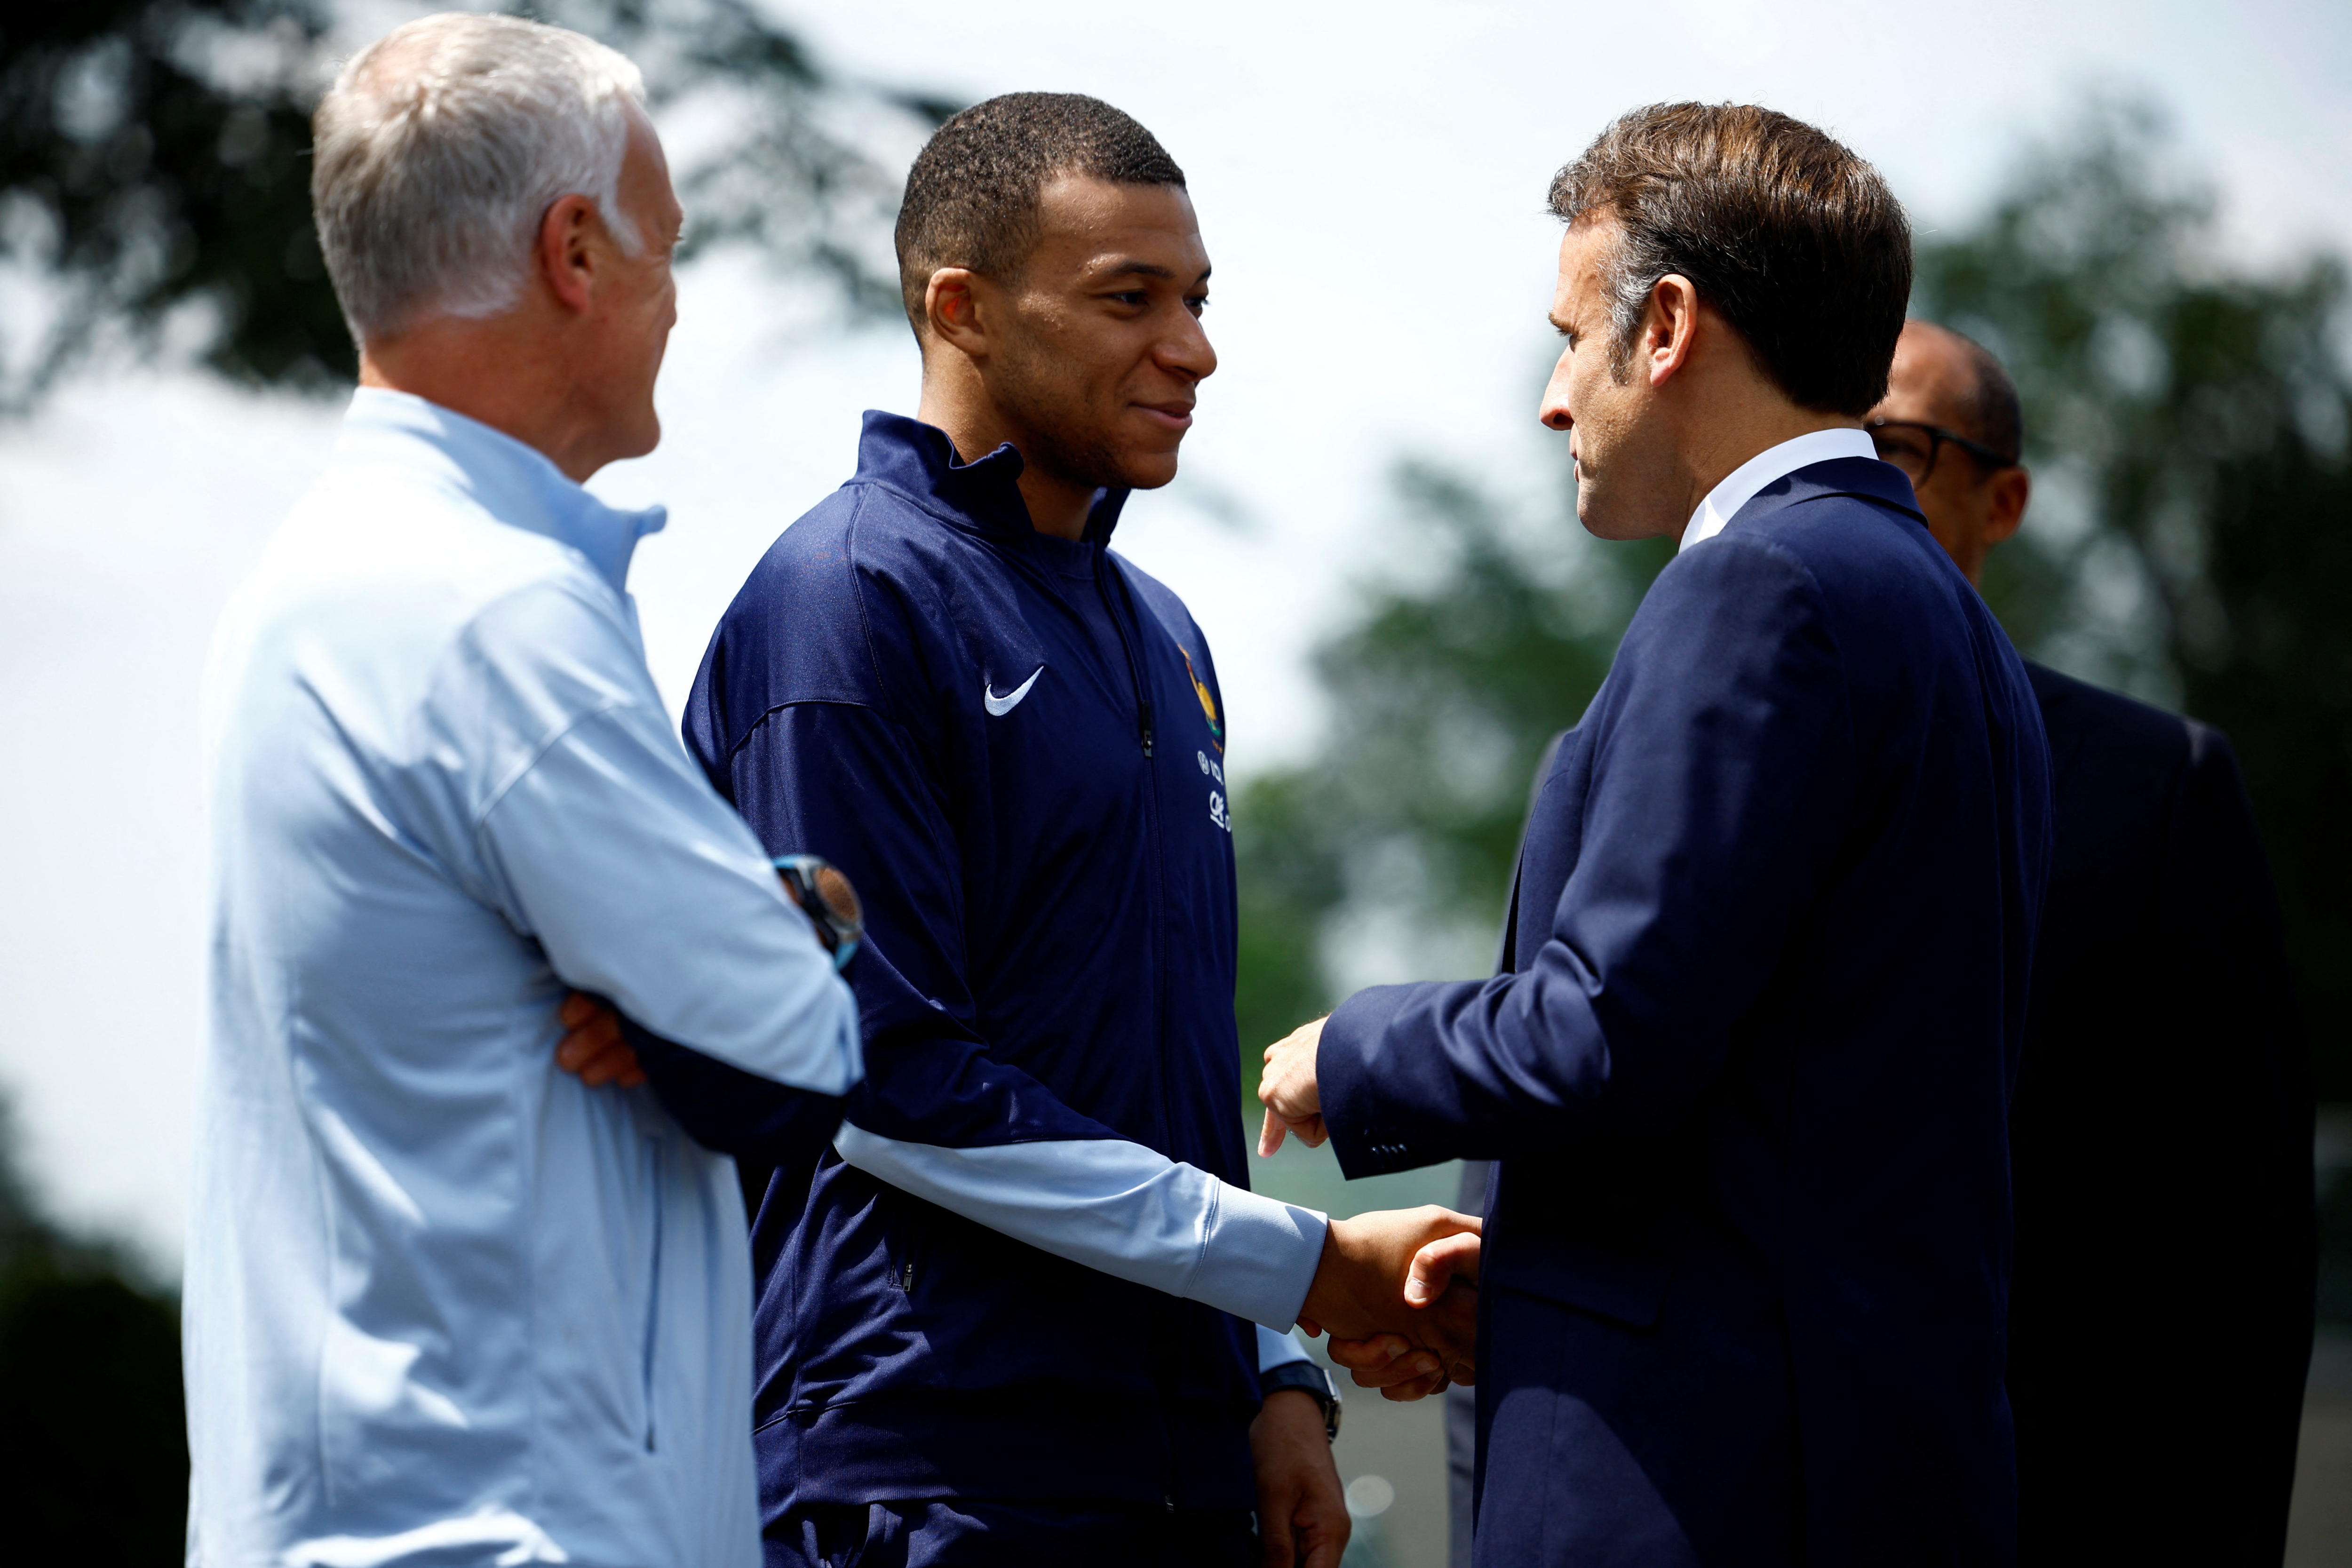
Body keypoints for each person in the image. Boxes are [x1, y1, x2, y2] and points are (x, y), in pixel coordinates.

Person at [676, 93, 1478, 1568]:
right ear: (963, 309)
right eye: (1131, 300)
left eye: (1198, 300)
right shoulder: (844, 602)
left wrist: (1276, 1374)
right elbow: (886, 1084)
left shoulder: (1158, 629)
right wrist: (1307, 1271)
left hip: (1171, 1463)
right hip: (930, 1461)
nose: (1194, 348)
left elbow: (1157, 1061)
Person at [1260, 103, 2053, 1565]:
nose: (1556, 398)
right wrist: (1542, 1270)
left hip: (1704, 1484)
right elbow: (1791, 1096)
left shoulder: (1759, 588)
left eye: (1570, 337)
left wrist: (1349, 1052)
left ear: (1668, 326)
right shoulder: (1948, 621)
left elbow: (1606, 1032)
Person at [185, 16, 863, 1566]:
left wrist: (743, 937)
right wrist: (807, 917)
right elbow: (796, 1036)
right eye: (666, 251)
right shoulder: (496, 613)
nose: (679, 302)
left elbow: (723, 994)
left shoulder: (312, 586)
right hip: (524, 1525)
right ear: (576, 249)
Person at [1870, 320, 2315, 1564]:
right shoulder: (1661, 767)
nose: (1849, 480)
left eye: (1894, 446)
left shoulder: (2155, 783)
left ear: (2001, 499)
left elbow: (2248, 1243)